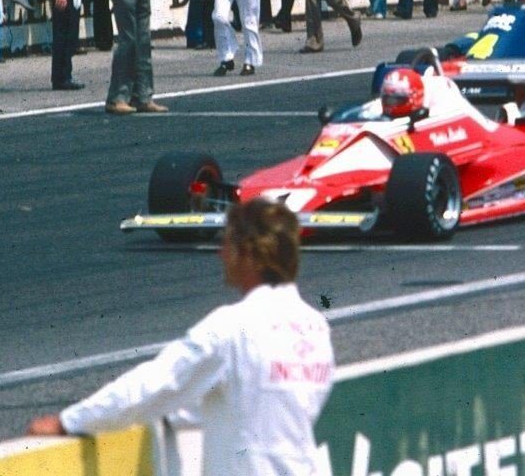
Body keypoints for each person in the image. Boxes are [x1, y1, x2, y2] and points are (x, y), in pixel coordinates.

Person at [28, 198, 334, 476]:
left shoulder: (233, 326)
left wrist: (69, 421)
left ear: (248, 253)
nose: (220, 253)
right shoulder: (315, 327)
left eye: (226, 243)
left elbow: (152, 385)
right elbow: (267, 405)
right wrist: (177, 412)